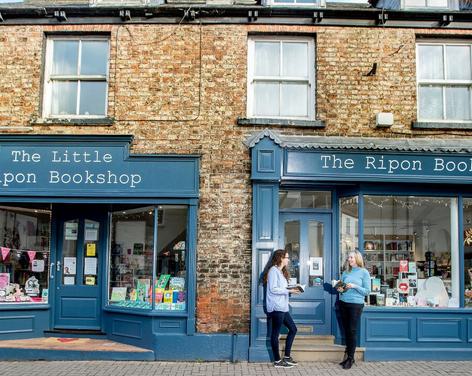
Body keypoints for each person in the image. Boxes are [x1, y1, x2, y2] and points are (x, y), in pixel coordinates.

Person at [263, 249, 300, 369]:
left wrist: (292, 289)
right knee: (275, 333)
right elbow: (273, 289)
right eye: (287, 257)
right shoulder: (273, 271)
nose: (288, 260)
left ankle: (287, 357)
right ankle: (277, 361)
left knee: (293, 329)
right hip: (276, 307)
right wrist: (288, 290)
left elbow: (281, 288)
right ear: (280, 258)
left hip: (283, 307)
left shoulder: (281, 272)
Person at [337, 250, 370, 370]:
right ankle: (348, 357)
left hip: (356, 305)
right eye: (348, 257)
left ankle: (350, 358)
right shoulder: (345, 272)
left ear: (357, 258)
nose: (349, 259)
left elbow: (367, 291)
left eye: (351, 257)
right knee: (347, 331)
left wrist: (355, 286)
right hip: (343, 303)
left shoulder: (364, 272)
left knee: (352, 331)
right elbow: (342, 288)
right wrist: (340, 289)